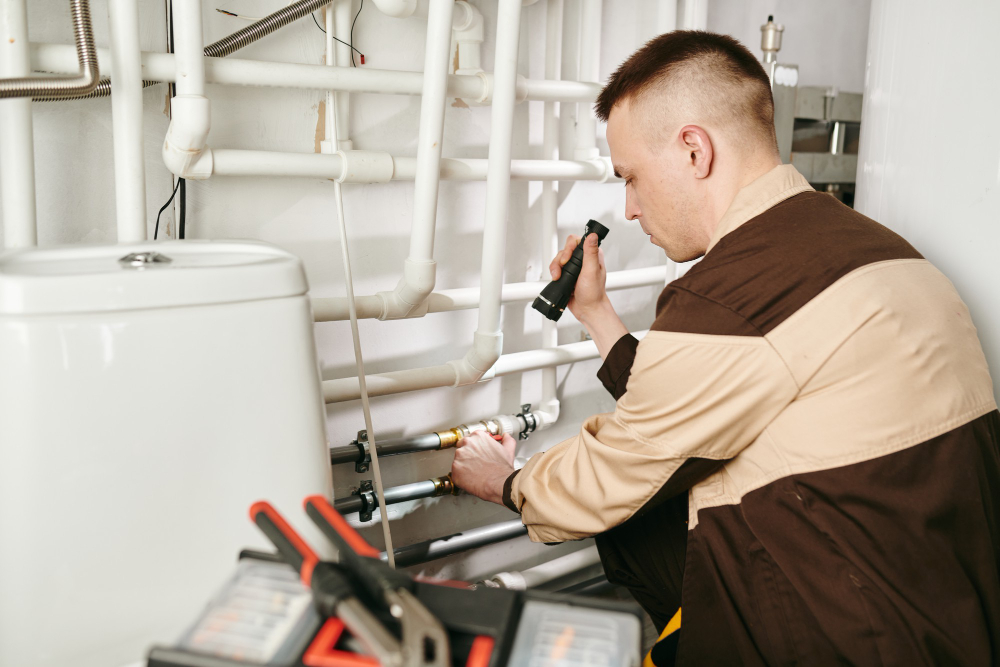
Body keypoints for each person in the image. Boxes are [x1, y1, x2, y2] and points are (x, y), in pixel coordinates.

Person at [451, 30, 1000, 666]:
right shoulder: (877, 250)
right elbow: (700, 404)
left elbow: (613, 473)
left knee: (625, 513)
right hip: (943, 618)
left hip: (850, 641)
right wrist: (597, 314)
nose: (628, 209)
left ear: (693, 150)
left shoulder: (735, 293)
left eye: (630, 178)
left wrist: (509, 483)